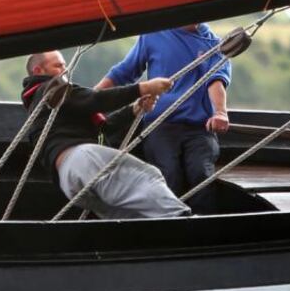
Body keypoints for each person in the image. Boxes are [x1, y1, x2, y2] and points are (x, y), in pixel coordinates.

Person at [21, 50, 191, 219]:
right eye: (58, 66)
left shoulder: (43, 105)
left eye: (65, 65)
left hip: (69, 181)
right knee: (146, 177)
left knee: (128, 215)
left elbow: (104, 128)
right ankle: (186, 225)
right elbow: (95, 100)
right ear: (38, 71)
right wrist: (143, 88)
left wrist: (134, 109)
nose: (66, 70)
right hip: (83, 160)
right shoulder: (51, 89)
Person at [94, 24, 230, 213]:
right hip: (160, 125)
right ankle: (167, 226)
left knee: (201, 174)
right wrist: (92, 100)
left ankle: (202, 228)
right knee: (168, 174)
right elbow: (124, 72)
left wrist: (220, 113)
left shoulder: (215, 44)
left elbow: (216, 81)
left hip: (199, 129)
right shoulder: (152, 34)